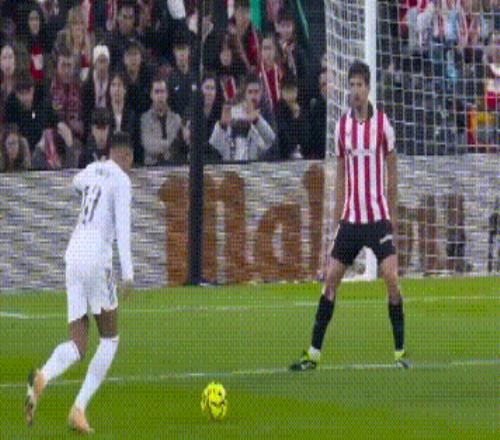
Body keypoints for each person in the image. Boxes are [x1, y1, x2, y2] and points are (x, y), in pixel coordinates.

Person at [290, 61, 410, 371]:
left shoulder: (383, 124)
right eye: (352, 85)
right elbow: (341, 173)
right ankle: (313, 354)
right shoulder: (342, 127)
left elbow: (392, 171)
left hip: (378, 218)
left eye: (360, 85)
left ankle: (400, 353)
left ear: (368, 88)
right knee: (330, 280)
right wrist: (337, 216)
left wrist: (392, 214)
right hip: (351, 219)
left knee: (392, 279)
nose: (355, 90)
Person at [25, 131, 135, 434]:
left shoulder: (92, 169)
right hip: (96, 258)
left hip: (73, 254)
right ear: (126, 156)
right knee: (110, 339)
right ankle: (78, 409)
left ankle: (42, 376)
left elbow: (75, 184)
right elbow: (123, 230)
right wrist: (128, 274)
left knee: (78, 343)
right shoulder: (122, 181)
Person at [140, 74, 182, 166]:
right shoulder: (145, 119)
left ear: (167, 94)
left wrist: (163, 144)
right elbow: (149, 145)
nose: (160, 95)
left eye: (162, 92)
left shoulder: (176, 119)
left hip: (173, 167)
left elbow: (178, 147)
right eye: (157, 92)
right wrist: (170, 144)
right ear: (151, 95)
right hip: (151, 167)